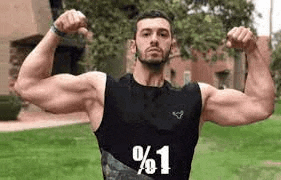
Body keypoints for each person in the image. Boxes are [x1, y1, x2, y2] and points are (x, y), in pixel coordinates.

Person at [14, 9, 275, 180]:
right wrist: (56, 30)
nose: (154, 40)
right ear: (133, 45)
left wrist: (252, 49)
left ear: (172, 47)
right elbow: (29, 85)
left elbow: (260, 105)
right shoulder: (102, 91)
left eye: (162, 35)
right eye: (146, 33)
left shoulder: (196, 98)